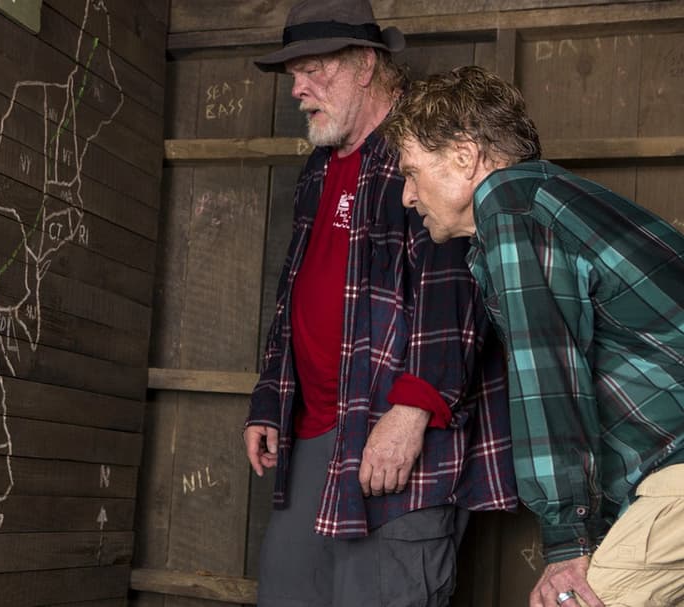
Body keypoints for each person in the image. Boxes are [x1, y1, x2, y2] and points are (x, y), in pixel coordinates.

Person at [245, 2, 518, 605]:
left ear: (365, 64)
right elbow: (295, 287)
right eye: (294, 75)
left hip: (396, 435)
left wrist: (415, 407)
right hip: (315, 432)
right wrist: (270, 396)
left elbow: (461, 284)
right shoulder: (319, 167)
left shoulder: (428, 146)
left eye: (313, 69)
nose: (297, 89)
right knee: (287, 590)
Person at [381, 65, 684, 607]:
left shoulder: (512, 208)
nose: (408, 196)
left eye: (410, 172)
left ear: (464, 156)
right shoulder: (544, 200)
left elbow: (549, 378)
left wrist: (569, 543)